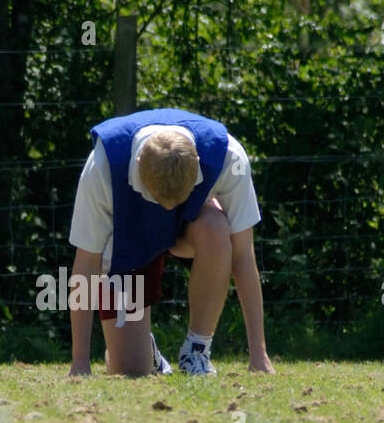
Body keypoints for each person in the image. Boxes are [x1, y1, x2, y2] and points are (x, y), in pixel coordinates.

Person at [67, 107, 275, 377]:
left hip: (188, 230)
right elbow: (86, 264)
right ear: (138, 161)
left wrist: (259, 355)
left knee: (216, 228)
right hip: (130, 236)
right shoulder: (103, 167)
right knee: (130, 370)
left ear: (198, 161)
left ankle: (196, 351)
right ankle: (146, 352)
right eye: (156, 198)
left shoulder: (228, 158)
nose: (165, 210)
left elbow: (244, 256)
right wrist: (80, 362)